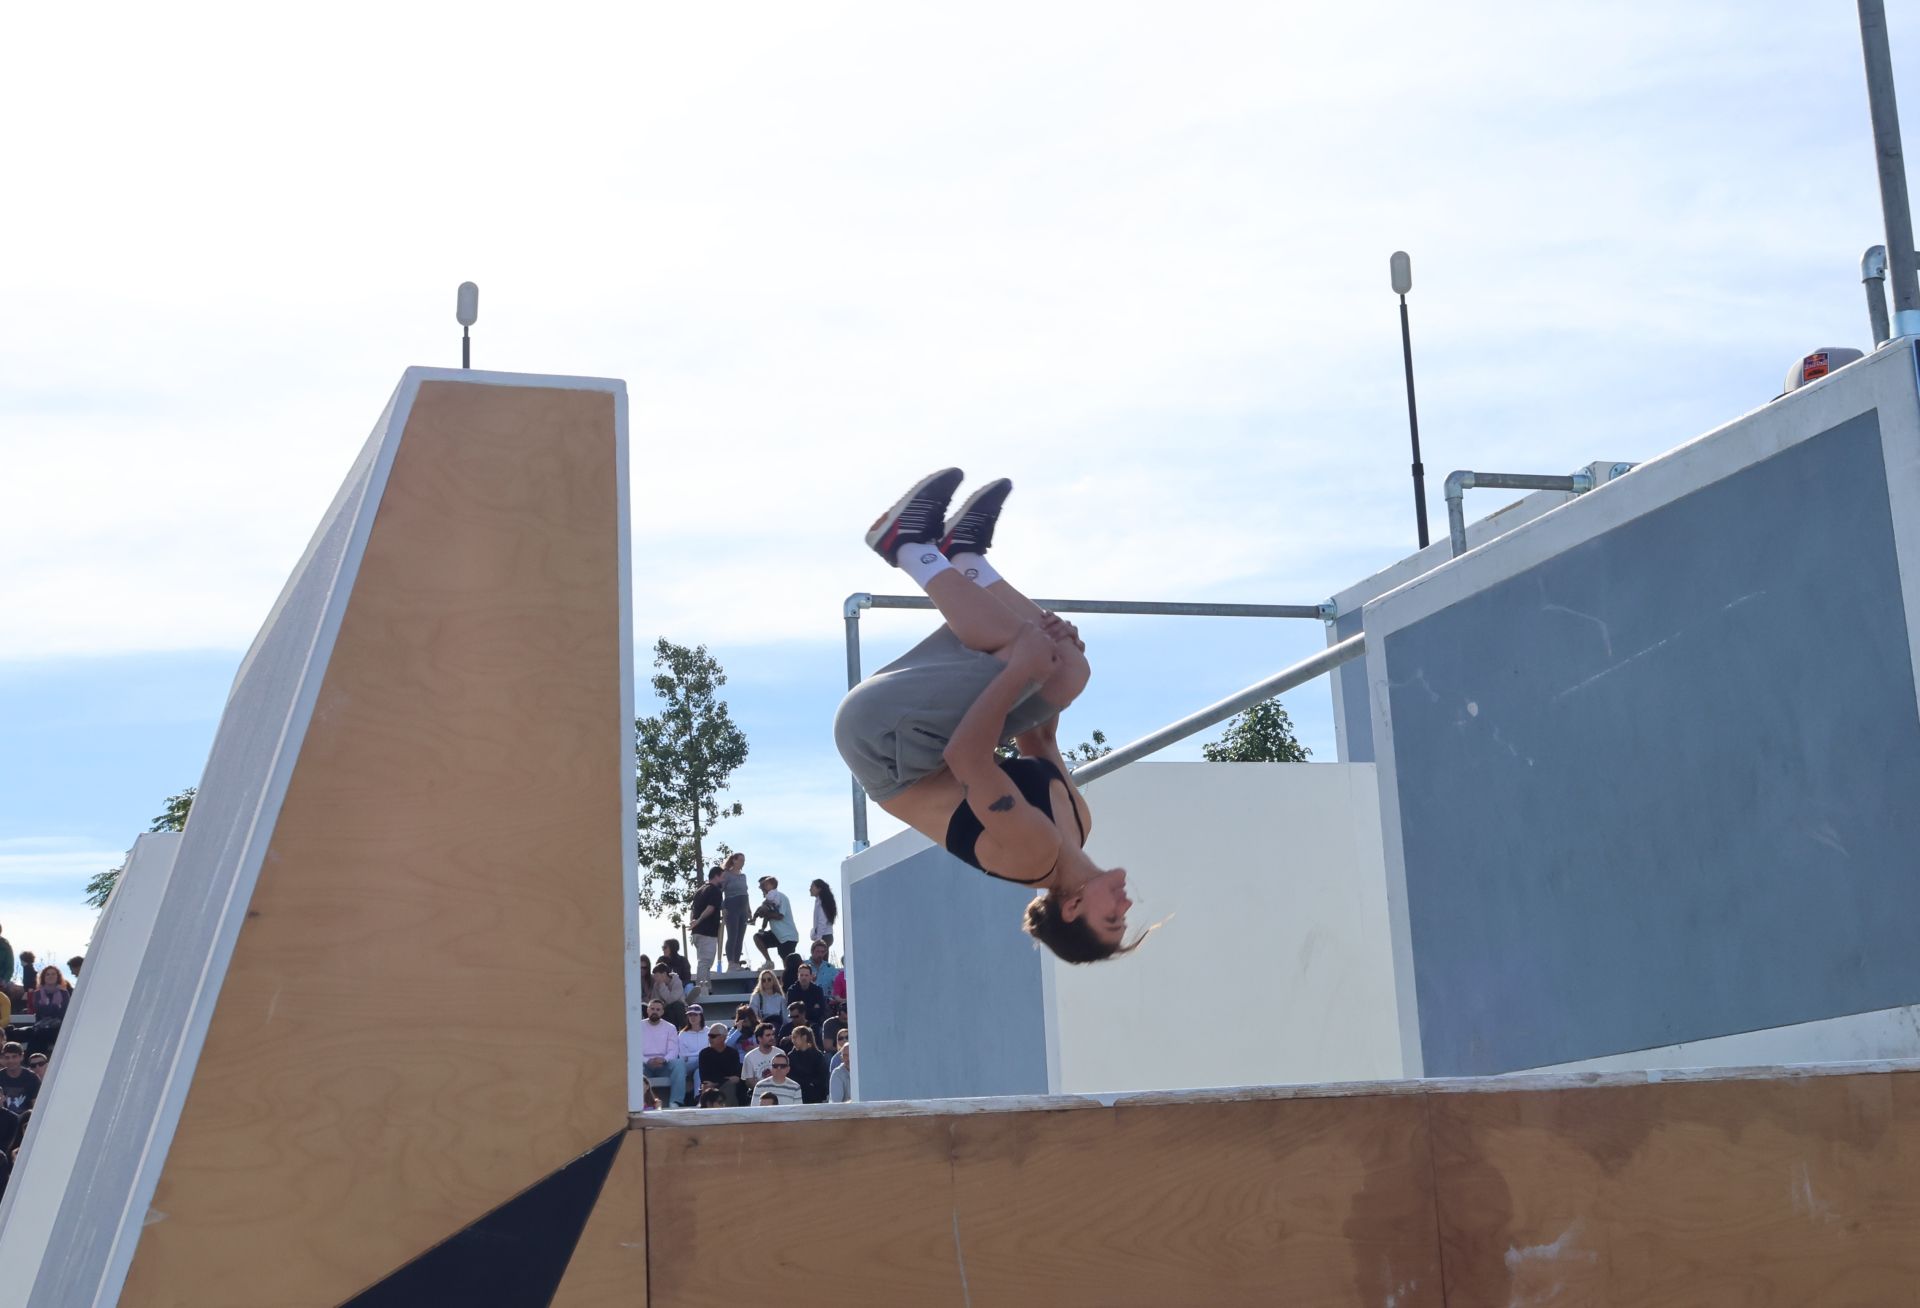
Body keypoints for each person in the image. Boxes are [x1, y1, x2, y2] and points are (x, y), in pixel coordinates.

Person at [833, 470, 1136, 963]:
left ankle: (906, 545)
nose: (1124, 904)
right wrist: (1059, 650)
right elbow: (1037, 738)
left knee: (1025, 654)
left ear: (1073, 906)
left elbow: (968, 755)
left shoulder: (1034, 854)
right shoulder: (1078, 824)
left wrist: (1022, 668)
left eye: (1111, 917)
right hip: (926, 743)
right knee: (1069, 670)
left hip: (884, 743)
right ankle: (964, 557)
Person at [751, 876, 801, 981]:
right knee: (758, 937)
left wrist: (767, 913)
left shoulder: (780, 896)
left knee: (787, 964)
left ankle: (790, 983)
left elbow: (780, 916)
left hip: (788, 936)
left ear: (771, 886)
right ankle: (769, 962)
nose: (761, 888)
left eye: (763, 885)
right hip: (777, 935)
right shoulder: (768, 901)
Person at [688, 868, 725, 994]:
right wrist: (698, 921)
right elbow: (710, 908)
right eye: (722, 877)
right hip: (707, 932)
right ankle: (701, 988)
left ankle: (707, 988)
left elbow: (693, 910)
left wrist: (693, 923)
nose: (723, 880)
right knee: (705, 961)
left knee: (704, 961)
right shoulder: (715, 890)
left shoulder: (700, 890)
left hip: (697, 932)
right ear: (716, 876)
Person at [697, 1022, 744, 1106]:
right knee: (708, 1087)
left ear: (723, 1037)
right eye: (709, 1035)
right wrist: (725, 1080)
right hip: (710, 1089)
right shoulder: (704, 1054)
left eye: (713, 1036)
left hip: (727, 1087)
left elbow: (736, 1077)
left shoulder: (733, 1053)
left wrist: (717, 1082)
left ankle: (724, 1112)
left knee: (730, 1086)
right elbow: (705, 1080)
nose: (709, 1038)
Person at [25, 966, 68, 1058]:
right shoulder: (38, 993)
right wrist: (55, 1007)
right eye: (47, 974)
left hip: (58, 1027)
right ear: (43, 977)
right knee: (38, 1034)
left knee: (41, 1034)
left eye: (53, 974)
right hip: (42, 1026)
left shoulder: (64, 993)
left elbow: (62, 1013)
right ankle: (32, 1061)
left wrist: (49, 1008)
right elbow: (41, 1011)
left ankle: (36, 1062)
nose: (50, 976)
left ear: (58, 976)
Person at [720, 852, 752, 973]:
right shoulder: (726, 874)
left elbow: (746, 892)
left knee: (740, 936)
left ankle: (737, 962)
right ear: (734, 860)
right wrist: (722, 907)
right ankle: (730, 963)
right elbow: (720, 891)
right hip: (731, 906)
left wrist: (749, 909)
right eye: (740, 860)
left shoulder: (743, 876)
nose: (743, 862)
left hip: (743, 908)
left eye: (744, 860)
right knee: (732, 935)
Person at [670, 1004, 707, 1107]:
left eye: (695, 1015)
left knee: (699, 1071)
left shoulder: (708, 1032)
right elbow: (683, 1055)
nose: (693, 1017)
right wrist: (700, 1054)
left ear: (701, 1016)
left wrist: (696, 1055)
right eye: (690, 1015)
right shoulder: (682, 1034)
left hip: (702, 1065)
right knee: (701, 1060)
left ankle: (699, 1099)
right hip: (687, 1065)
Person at [638, 999, 678, 1095]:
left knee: (679, 1064)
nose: (655, 1011)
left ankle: (675, 1102)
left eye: (658, 1009)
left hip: (663, 1065)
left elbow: (674, 1050)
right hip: (644, 1065)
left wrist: (664, 1059)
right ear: (647, 1010)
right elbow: (633, 1051)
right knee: (634, 1066)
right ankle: (638, 1102)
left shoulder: (670, 1028)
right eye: (652, 1009)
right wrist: (647, 1061)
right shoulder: (637, 1026)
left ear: (662, 1012)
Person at [785, 1025, 830, 1104]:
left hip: (814, 1097)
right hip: (796, 1095)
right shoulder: (791, 1056)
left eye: (795, 1037)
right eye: (792, 1038)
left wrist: (811, 1084)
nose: (793, 1040)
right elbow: (789, 1076)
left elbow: (822, 1076)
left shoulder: (817, 1056)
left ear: (804, 1037)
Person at [0, 1043, 40, 1115]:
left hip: (25, 1121)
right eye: (7, 1057)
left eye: (14, 1057)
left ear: (21, 1057)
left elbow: (36, 1106)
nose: (10, 1060)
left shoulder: (32, 1078)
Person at [785, 964, 828, 1031]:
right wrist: (813, 1008)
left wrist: (801, 1010)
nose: (804, 978)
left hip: (814, 1023)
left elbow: (821, 1010)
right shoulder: (792, 990)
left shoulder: (818, 990)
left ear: (811, 976)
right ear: (798, 976)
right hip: (796, 1024)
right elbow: (791, 1010)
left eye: (806, 975)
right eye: (801, 975)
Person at [651, 963, 687, 1030]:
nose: (655, 979)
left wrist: (662, 986)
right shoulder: (656, 985)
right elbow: (655, 1000)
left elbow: (671, 999)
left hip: (678, 1009)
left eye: (657, 976)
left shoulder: (677, 982)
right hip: (665, 1010)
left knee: (676, 1005)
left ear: (664, 974)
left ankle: (684, 1030)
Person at [809, 880, 838, 950]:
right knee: (822, 960)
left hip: (824, 936)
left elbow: (822, 922)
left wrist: (818, 941)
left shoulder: (821, 902)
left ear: (819, 889)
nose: (810, 889)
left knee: (820, 960)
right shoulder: (820, 901)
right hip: (826, 936)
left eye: (812, 887)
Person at [828, 1029, 853, 1104]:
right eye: (845, 1055)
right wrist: (854, 1102)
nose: (848, 1058)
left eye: (851, 1055)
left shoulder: (863, 1071)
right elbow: (837, 1104)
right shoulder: (837, 1073)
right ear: (841, 1058)